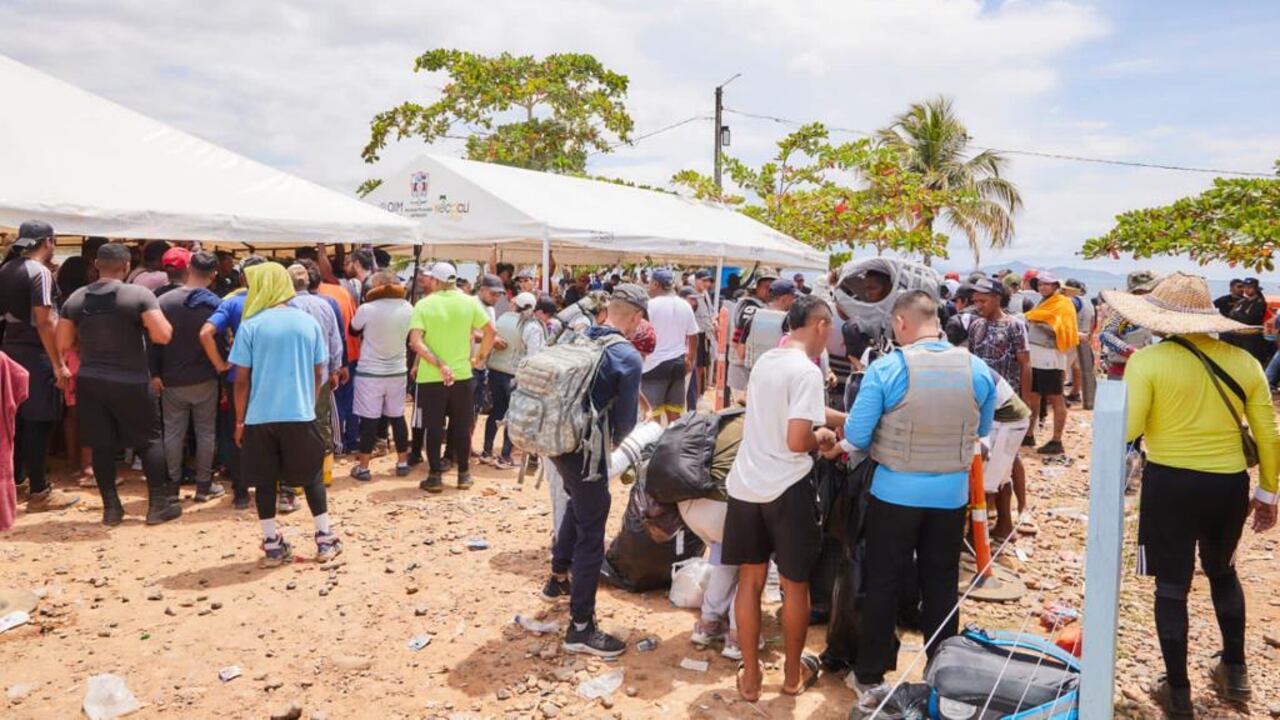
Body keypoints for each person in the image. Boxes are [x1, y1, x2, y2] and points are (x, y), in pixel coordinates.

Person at [1104, 272, 1278, 718]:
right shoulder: (1245, 363)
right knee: (1223, 572)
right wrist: (1268, 493)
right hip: (1228, 484)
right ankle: (1235, 672)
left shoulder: (1149, 361)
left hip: (1170, 483)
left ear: (1161, 318)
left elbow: (1130, 430)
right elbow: (1267, 434)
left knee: (1171, 586)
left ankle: (1177, 693)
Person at [844, 291, 996, 697]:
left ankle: (870, 676)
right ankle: (944, 676)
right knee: (942, 583)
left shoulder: (889, 369)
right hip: (950, 496)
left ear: (900, 323)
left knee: (883, 582)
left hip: (894, 494)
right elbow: (982, 431)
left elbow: (856, 435)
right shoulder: (978, 370)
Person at [724, 294, 839, 702]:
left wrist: (834, 419)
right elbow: (797, 439)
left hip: (746, 485)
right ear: (820, 325)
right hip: (788, 489)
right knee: (795, 586)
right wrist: (824, 437)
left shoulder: (766, 363)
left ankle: (752, 678)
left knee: (749, 583)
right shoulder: (806, 372)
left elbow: (777, 413)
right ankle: (792, 676)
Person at [537, 283, 645, 658]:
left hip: (555, 442)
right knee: (592, 529)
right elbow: (626, 424)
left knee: (578, 503)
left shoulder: (580, 335)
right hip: (587, 451)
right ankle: (581, 627)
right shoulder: (627, 356)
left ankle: (557, 578)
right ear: (634, 317)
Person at [228, 263, 340, 565]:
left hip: (259, 417)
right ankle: (325, 540)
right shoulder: (307, 323)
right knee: (313, 476)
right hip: (300, 414)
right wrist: (309, 400)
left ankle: (271, 544)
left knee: (265, 481)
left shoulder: (250, 325)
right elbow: (320, 371)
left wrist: (240, 420)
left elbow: (241, 380)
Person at [58, 243, 177, 526]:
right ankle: (158, 506)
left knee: (101, 445)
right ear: (125, 267)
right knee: (149, 441)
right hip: (132, 379)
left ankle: (111, 509)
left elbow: (63, 343)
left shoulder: (76, 298)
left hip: (90, 380)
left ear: (96, 265)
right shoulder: (139, 295)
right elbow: (163, 335)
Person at [0, 221, 80, 513]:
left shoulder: (5, 269)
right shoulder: (40, 273)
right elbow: (45, 322)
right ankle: (39, 491)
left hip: (10, 351)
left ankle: (18, 482)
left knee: (17, 420)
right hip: (37, 354)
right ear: (47, 241)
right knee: (39, 420)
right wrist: (59, 364)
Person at [408, 262, 495, 493]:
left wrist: (439, 363)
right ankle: (464, 475)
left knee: (434, 426)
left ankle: (434, 476)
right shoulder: (469, 302)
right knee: (461, 425)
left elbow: (415, 342)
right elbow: (490, 332)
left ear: (435, 281)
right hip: (463, 375)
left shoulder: (424, 305)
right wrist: (481, 358)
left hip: (431, 377)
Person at [957, 278, 1031, 541]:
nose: (978, 305)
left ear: (998, 298)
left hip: (1006, 401)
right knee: (990, 465)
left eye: (983, 300)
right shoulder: (976, 326)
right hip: (982, 401)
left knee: (1006, 464)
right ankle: (993, 522)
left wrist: (1027, 400)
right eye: (975, 301)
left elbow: (1025, 364)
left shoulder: (1015, 326)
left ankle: (1010, 517)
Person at [151, 250, 225, 503]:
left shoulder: (164, 301)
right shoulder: (215, 303)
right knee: (206, 432)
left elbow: (152, 342)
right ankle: (204, 487)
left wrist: (155, 373)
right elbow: (222, 343)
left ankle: (172, 488)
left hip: (172, 377)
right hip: (205, 377)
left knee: (172, 433)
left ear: (189, 268)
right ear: (214, 274)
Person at [199, 255, 268, 509]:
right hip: (269, 377)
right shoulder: (277, 304)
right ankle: (270, 485)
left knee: (238, 430)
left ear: (241, 278)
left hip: (237, 376)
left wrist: (220, 364)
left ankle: (240, 491)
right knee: (269, 431)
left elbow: (206, 333)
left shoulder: (231, 303)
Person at [285, 262, 346, 494]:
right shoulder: (324, 305)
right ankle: (325, 473)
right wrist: (334, 370)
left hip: (293, 375)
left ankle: (298, 479)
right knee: (321, 421)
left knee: (294, 424)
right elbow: (334, 340)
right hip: (320, 374)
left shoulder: (286, 305)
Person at [348, 270, 413, 481]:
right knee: (397, 417)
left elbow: (353, 330)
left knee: (369, 421)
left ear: (378, 285)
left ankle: (364, 468)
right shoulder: (407, 307)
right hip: (397, 370)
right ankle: (402, 462)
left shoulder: (367, 308)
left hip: (370, 372)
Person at [483, 292, 544, 470]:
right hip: (514, 376)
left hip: (495, 371)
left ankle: (487, 451)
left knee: (497, 411)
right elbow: (535, 355)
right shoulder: (531, 326)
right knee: (513, 415)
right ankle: (505, 456)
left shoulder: (501, 319)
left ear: (515, 304)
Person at [1023, 272, 1077, 455]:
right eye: (1040, 284)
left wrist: (1039, 320)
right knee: (1034, 395)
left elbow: (1062, 328)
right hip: (1036, 355)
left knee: (1055, 397)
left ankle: (1056, 440)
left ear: (1056, 286)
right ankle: (1029, 434)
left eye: (1047, 284)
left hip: (1051, 356)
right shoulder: (1044, 302)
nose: (1042, 287)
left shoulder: (1063, 303)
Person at [642, 269, 700, 422]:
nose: (648, 286)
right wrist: (690, 359)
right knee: (674, 414)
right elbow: (693, 335)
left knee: (652, 415)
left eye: (650, 283)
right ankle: (674, 445)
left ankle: (655, 445)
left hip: (653, 365)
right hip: (678, 363)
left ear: (656, 283)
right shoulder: (685, 305)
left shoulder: (649, 305)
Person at [1099, 271, 1158, 380]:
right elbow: (1106, 336)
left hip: (1145, 371)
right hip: (1122, 372)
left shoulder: (1150, 311)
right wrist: (1132, 352)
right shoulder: (1122, 312)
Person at [727, 268, 777, 397]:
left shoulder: (760, 304)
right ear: (756, 287)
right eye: (767, 287)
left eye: (773, 287)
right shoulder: (750, 306)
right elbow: (740, 348)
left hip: (752, 369)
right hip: (742, 370)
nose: (770, 291)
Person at [1064, 279, 1096, 409]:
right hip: (1085, 336)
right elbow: (1093, 321)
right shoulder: (1089, 302)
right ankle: (1076, 392)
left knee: (1062, 367)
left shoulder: (1072, 301)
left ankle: (1059, 395)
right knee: (1078, 367)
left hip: (1072, 336)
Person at [1225, 278, 1270, 367]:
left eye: (1250, 287)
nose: (1246, 289)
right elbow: (1231, 315)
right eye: (1245, 287)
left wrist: (1238, 314)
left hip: (1252, 337)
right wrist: (1239, 315)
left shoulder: (1259, 302)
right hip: (1238, 335)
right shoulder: (1242, 301)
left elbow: (1249, 319)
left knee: (1251, 362)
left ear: (1256, 288)